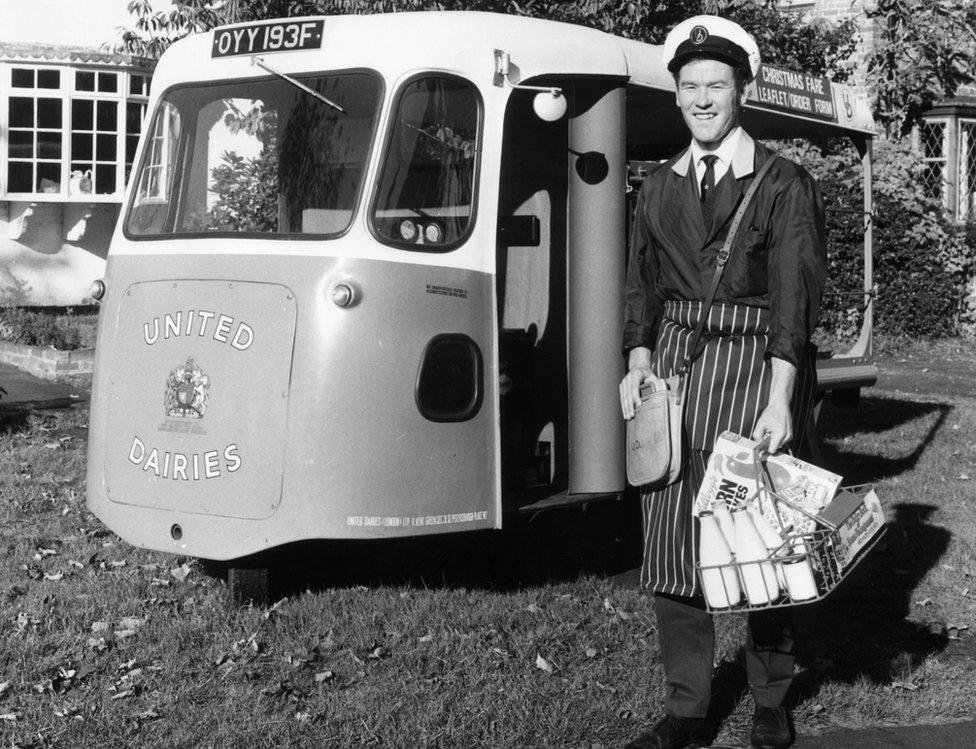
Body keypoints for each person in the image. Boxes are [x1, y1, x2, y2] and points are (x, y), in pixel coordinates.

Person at [619, 15, 826, 749]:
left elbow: (795, 302)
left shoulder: (783, 183)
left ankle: (769, 697)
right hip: (675, 377)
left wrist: (780, 398)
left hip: (753, 373)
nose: (702, 99)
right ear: (675, 97)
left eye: (716, 85)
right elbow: (641, 288)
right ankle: (687, 707)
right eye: (689, 88)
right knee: (674, 542)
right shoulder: (656, 188)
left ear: (741, 92)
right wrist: (638, 363)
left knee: (761, 538)